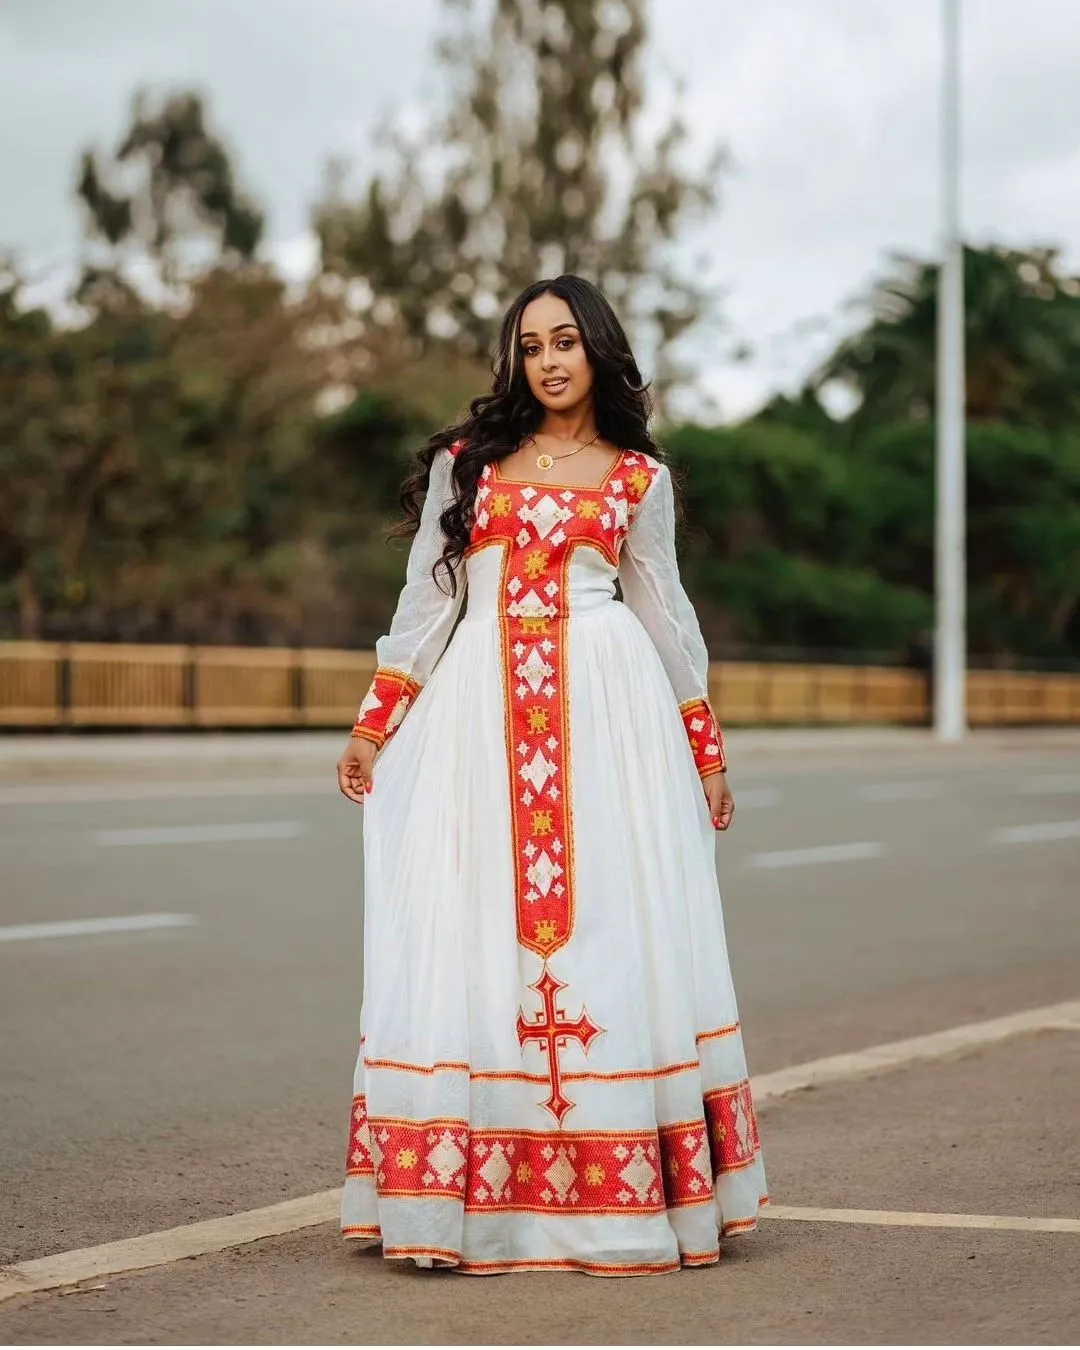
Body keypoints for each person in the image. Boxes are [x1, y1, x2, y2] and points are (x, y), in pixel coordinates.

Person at [336, 275, 766, 1276]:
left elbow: (668, 619)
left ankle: (613, 1191)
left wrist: (705, 750)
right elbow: (429, 604)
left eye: (566, 340)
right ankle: (474, 1193)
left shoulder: (637, 480)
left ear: (599, 351)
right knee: (476, 930)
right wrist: (375, 721)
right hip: (476, 723)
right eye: (530, 346)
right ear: (514, 363)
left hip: (613, 725)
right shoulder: (468, 468)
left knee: (614, 931)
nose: (549, 361)